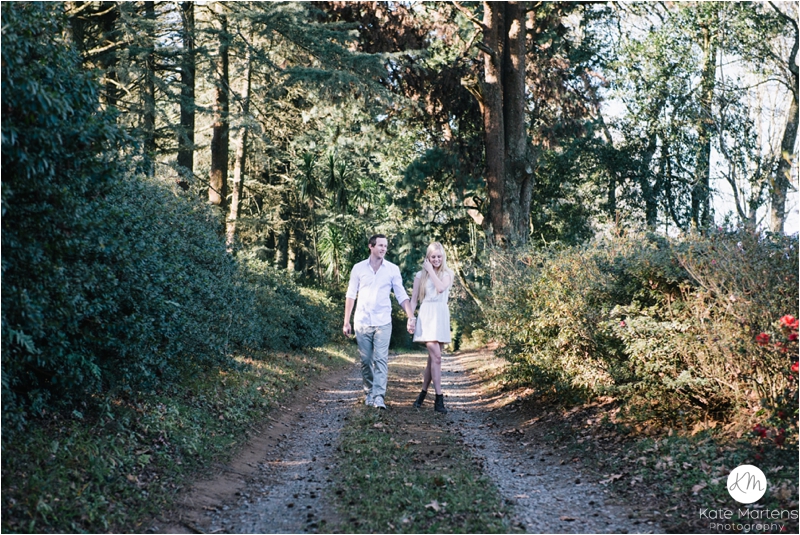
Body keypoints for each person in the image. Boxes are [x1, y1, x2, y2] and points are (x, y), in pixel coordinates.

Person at [343, 234, 415, 409]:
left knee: (381, 359)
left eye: (385, 246)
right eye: (380, 245)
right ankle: (369, 393)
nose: (384, 248)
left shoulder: (392, 269)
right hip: (362, 321)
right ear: (371, 246)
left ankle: (379, 397)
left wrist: (410, 316)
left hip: (383, 321)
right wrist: (346, 321)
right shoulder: (358, 268)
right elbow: (351, 295)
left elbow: (401, 295)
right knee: (366, 361)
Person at [406, 242, 453, 414]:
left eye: (439, 256)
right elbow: (413, 299)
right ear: (428, 257)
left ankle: (422, 395)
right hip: (427, 315)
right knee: (437, 357)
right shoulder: (420, 275)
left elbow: (440, 288)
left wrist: (431, 271)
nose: (436, 259)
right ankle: (439, 399)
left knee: (433, 360)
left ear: (443, 257)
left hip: (441, 315)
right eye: (433, 257)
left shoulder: (448, 273)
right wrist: (411, 318)